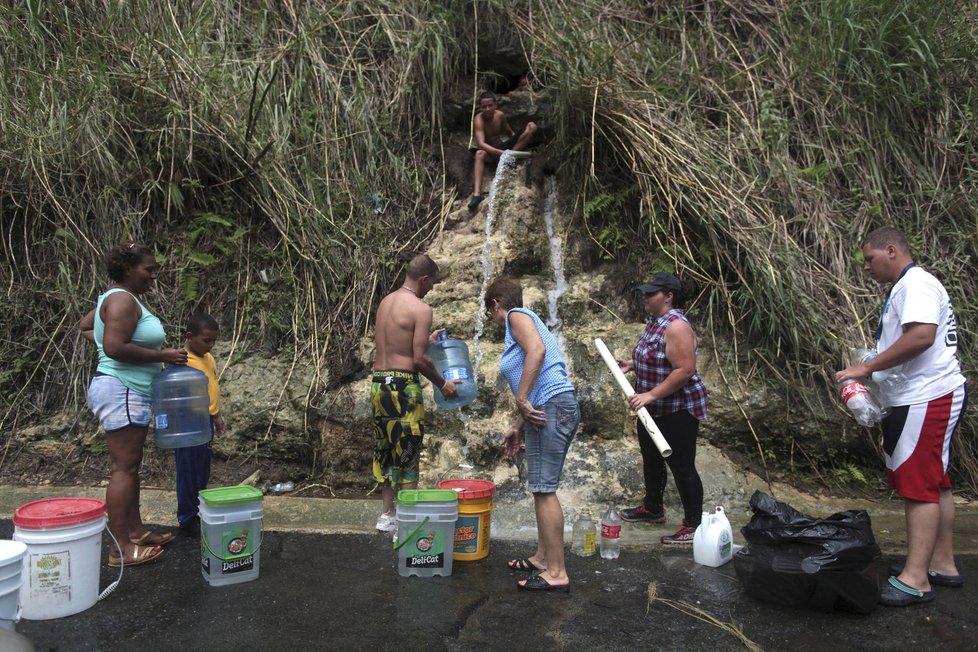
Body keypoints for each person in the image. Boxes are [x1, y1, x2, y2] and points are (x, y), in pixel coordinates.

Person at [836, 226, 967, 607]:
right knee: (935, 481)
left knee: (918, 484)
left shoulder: (916, 285)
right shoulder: (908, 287)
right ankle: (941, 563)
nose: (866, 268)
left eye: (870, 260)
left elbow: (922, 336)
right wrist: (874, 368)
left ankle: (916, 579)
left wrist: (866, 368)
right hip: (922, 394)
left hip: (928, 395)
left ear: (891, 251)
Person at [79, 242, 187, 567]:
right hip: (121, 389)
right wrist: (161, 356)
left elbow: (87, 328)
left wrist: (109, 347)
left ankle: (135, 532)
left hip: (125, 388)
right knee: (123, 469)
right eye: (149, 269)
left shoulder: (116, 298)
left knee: (130, 466)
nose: (154, 275)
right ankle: (120, 549)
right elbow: (113, 346)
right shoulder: (123, 300)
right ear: (128, 269)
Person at [486, 277, 579, 592]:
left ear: (496, 305)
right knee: (541, 487)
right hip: (550, 407)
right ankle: (543, 557)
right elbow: (540, 384)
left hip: (552, 408)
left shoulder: (516, 316)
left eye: (491, 313)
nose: (495, 321)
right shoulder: (526, 320)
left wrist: (521, 399)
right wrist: (517, 423)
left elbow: (536, 353)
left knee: (544, 489)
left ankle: (556, 571)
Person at [616, 272, 708, 545]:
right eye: (644, 292)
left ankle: (694, 526)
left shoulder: (677, 326)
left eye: (651, 293)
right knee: (652, 460)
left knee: (682, 466)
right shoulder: (656, 323)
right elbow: (658, 356)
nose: (645, 296)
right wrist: (632, 365)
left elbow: (684, 370)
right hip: (653, 409)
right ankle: (653, 508)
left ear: (668, 296)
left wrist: (651, 395)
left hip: (676, 409)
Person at [371, 254, 460, 532]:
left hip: (379, 384)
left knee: (385, 449)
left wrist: (427, 340)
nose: (431, 289)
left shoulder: (386, 302)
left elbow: (399, 342)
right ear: (423, 279)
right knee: (408, 452)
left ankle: (387, 516)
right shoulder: (421, 309)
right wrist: (443, 383)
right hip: (403, 387)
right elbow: (419, 360)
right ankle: (408, 520)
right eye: (432, 283)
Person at [175, 313, 226, 537]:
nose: (211, 345)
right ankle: (186, 518)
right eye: (206, 340)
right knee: (188, 469)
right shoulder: (180, 360)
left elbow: (211, 387)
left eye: (214, 340)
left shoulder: (208, 358)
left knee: (202, 468)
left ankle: (198, 511)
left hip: (205, 421)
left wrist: (216, 416)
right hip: (188, 423)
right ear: (189, 336)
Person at [466, 91, 538, 212]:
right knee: (479, 154)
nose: (487, 109)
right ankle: (477, 195)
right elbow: (481, 144)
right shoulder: (478, 120)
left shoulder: (500, 115)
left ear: (495, 106)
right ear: (480, 108)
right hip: (490, 152)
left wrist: (519, 145)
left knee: (532, 126)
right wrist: (500, 153)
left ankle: (511, 158)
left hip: (504, 149)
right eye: (484, 106)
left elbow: (510, 133)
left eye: (490, 105)